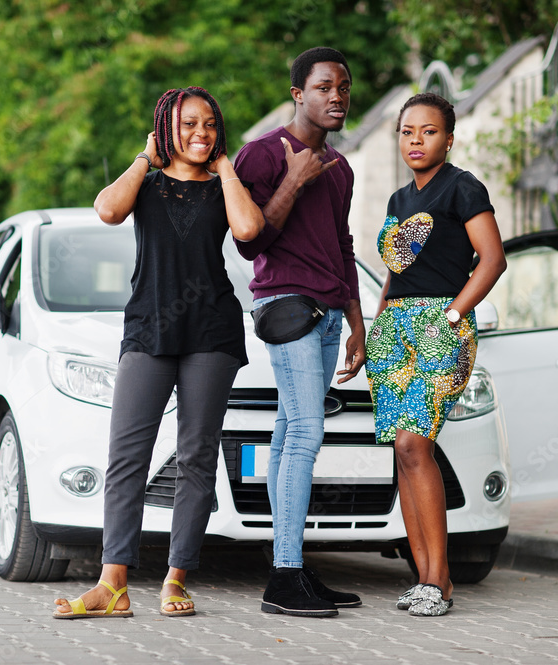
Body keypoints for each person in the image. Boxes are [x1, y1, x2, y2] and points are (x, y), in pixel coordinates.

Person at [53, 87, 264, 619]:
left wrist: (228, 169)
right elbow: (106, 210)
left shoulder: (224, 188)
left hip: (211, 333)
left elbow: (249, 229)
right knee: (127, 457)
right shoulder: (144, 185)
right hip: (149, 329)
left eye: (210, 124)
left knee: (196, 456)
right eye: (189, 123)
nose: (201, 132)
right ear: (166, 128)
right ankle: (113, 584)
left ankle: (176, 578)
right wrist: (145, 155)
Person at [233, 46, 366, 618]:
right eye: (323, 87)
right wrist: (292, 180)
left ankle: (291, 565)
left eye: (343, 87)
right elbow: (249, 242)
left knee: (289, 437)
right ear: (298, 94)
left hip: (332, 312)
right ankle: (284, 578)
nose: (336, 97)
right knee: (307, 435)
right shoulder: (259, 157)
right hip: (286, 307)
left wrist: (359, 320)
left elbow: (342, 246)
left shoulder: (343, 169)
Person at [366, 92, 507, 617]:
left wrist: (452, 317)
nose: (416, 140)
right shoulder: (398, 201)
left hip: (440, 326)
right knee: (404, 454)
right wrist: (373, 331)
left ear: (449, 138)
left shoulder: (462, 187)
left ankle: (439, 579)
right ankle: (425, 578)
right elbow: (394, 274)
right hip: (394, 330)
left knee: (414, 443)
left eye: (428, 131)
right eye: (407, 132)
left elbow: (492, 260)